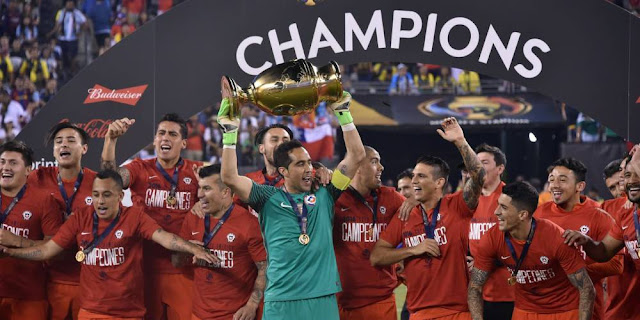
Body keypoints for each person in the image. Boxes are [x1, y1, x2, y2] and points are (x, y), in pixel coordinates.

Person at [219, 91, 366, 319]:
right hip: (281, 299)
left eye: (309, 162)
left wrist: (344, 113)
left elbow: (356, 155)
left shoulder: (326, 193)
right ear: (283, 172)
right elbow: (229, 177)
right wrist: (230, 133)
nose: (309, 169)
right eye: (300, 164)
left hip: (322, 297)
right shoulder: (266, 197)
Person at [0, 169, 216, 320]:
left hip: (127, 313)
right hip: (90, 311)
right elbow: (48, 250)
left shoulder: (134, 217)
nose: (100, 201)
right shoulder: (80, 217)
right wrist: (10, 253)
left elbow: (165, 237)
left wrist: (192, 247)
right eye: (95, 195)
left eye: (106, 195)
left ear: (120, 196)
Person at [370, 117, 485, 320]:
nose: (414, 180)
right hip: (418, 312)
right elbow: (377, 257)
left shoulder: (457, 205)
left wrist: (460, 141)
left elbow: (478, 176)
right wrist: (414, 249)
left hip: (457, 312)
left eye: (421, 176)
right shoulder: (405, 215)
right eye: (414, 175)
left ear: (439, 182)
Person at [101, 113, 202, 320]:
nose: (165, 138)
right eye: (161, 133)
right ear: (155, 139)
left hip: (182, 269)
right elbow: (110, 180)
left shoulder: (197, 171)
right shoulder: (139, 168)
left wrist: (207, 197)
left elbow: (226, 189)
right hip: (143, 267)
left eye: (172, 134)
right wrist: (111, 140)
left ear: (183, 143)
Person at [468, 182, 596, 320]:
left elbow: (587, 288)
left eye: (503, 207)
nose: (496, 211)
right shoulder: (491, 237)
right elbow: (475, 287)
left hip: (563, 310)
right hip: (525, 310)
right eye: (498, 204)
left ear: (523, 215)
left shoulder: (555, 237)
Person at [175, 164, 267, 320]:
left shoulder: (249, 224)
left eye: (207, 189)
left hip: (235, 315)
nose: (199, 194)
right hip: (198, 314)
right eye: (200, 188)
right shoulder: (193, 217)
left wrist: (252, 305)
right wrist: (186, 249)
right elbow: (177, 262)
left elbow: (265, 268)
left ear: (225, 192)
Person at [27, 122, 97, 320]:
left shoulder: (97, 182)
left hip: (87, 281)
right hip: (48, 280)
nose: (63, 145)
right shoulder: (36, 178)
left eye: (70, 140)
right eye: (58, 142)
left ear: (84, 148)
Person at [536, 158, 619, 320]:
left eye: (562, 180)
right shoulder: (538, 214)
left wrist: (574, 273)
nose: (554, 185)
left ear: (580, 186)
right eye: (551, 180)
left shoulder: (599, 215)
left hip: (586, 308)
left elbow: (616, 265)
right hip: (545, 308)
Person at [564, 149, 640, 319]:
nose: (632, 181)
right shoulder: (625, 214)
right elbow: (604, 251)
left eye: (637, 174)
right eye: (627, 176)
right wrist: (586, 241)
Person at [333, 146, 405, 319]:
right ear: (356, 166)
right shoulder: (333, 198)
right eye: (374, 162)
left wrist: (413, 203)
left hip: (379, 301)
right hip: (339, 302)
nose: (381, 167)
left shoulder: (391, 198)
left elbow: (424, 217)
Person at [0, 140, 62, 320]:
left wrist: (17, 242)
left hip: (29, 295)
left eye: (13, 163)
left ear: (28, 170)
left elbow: (55, 249)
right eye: (2, 162)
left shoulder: (44, 201)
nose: (6, 167)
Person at [467, 144, 514, 320]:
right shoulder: (468, 200)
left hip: (506, 292)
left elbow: (523, 243)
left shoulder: (512, 198)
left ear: (500, 168)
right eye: (476, 162)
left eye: (484, 162)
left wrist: (485, 262)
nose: (478, 167)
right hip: (475, 292)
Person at [599, 158, 639, 320]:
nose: (618, 190)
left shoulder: (632, 203)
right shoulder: (604, 209)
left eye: (620, 182)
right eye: (612, 188)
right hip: (618, 287)